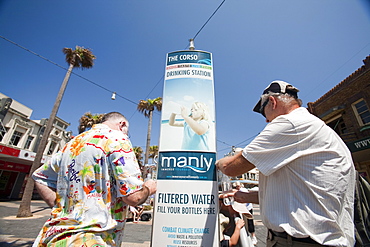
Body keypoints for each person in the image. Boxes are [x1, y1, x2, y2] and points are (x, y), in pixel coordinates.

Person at [216, 81, 355, 246]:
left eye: (264, 113)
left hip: (301, 241)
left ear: (273, 102)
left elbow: (231, 167)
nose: (267, 121)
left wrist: (216, 162)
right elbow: (301, 194)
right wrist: (245, 196)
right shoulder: (318, 128)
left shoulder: (290, 123)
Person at [32, 112, 157, 246]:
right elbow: (134, 197)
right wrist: (149, 187)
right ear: (122, 125)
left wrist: (65, 210)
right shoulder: (117, 138)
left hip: (51, 237)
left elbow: (40, 177)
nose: (127, 135)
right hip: (90, 240)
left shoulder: (72, 143)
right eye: (127, 132)